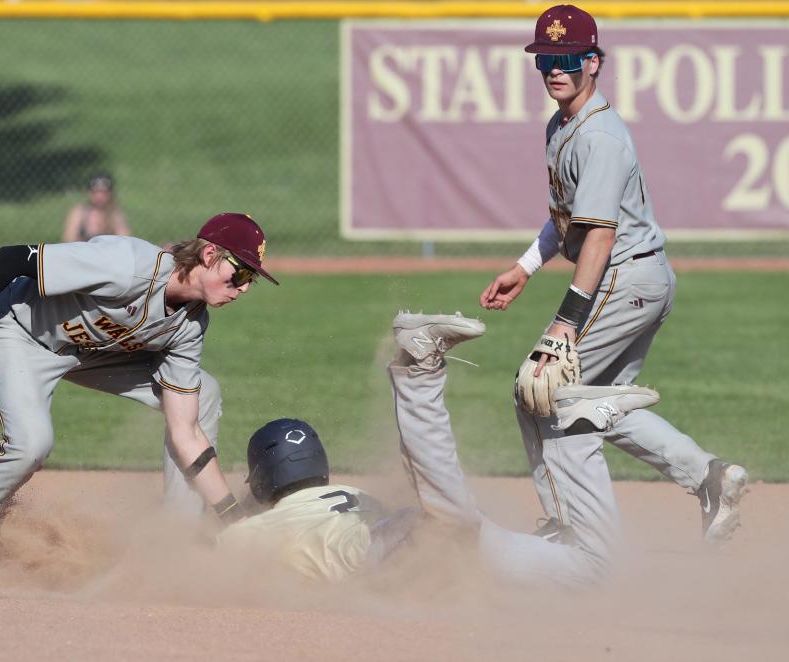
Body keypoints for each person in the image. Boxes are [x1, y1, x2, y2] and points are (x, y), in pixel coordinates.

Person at [477, 5, 747, 546]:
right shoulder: (563, 124)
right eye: (545, 59)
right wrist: (526, 266)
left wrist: (566, 324)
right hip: (639, 278)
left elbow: (599, 236)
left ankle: (575, 530)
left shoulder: (599, 137)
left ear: (594, 61)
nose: (556, 68)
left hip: (624, 278)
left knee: (543, 391)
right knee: (600, 402)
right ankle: (709, 478)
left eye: (569, 57)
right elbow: (573, 221)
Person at [0, 212, 278, 588]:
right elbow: (13, 258)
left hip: (87, 351)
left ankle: (176, 538)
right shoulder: (128, 265)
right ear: (210, 254)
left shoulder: (190, 326)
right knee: (31, 443)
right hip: (14, 331)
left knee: (204, 392)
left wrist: (231, 518)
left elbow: (187, 434)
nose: (244, 287)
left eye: (251, 280)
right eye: (242, 273)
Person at [219, 313, 659, 586]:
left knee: (452, 515)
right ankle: (572, 435)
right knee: (595, 568)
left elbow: (204, 561)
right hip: (427, 539)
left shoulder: (264, 528)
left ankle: (419, 368)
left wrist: (228, 516)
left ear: (263, 477)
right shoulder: (350, 494)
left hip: (402, 547)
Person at [62, 172, 132, 242]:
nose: (99, 197)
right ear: (88, 192)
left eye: (104, 192)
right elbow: (69, 239)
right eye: (95, 192)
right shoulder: (79, 212)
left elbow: (125, 240)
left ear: (111, 193)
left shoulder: (114, 214)